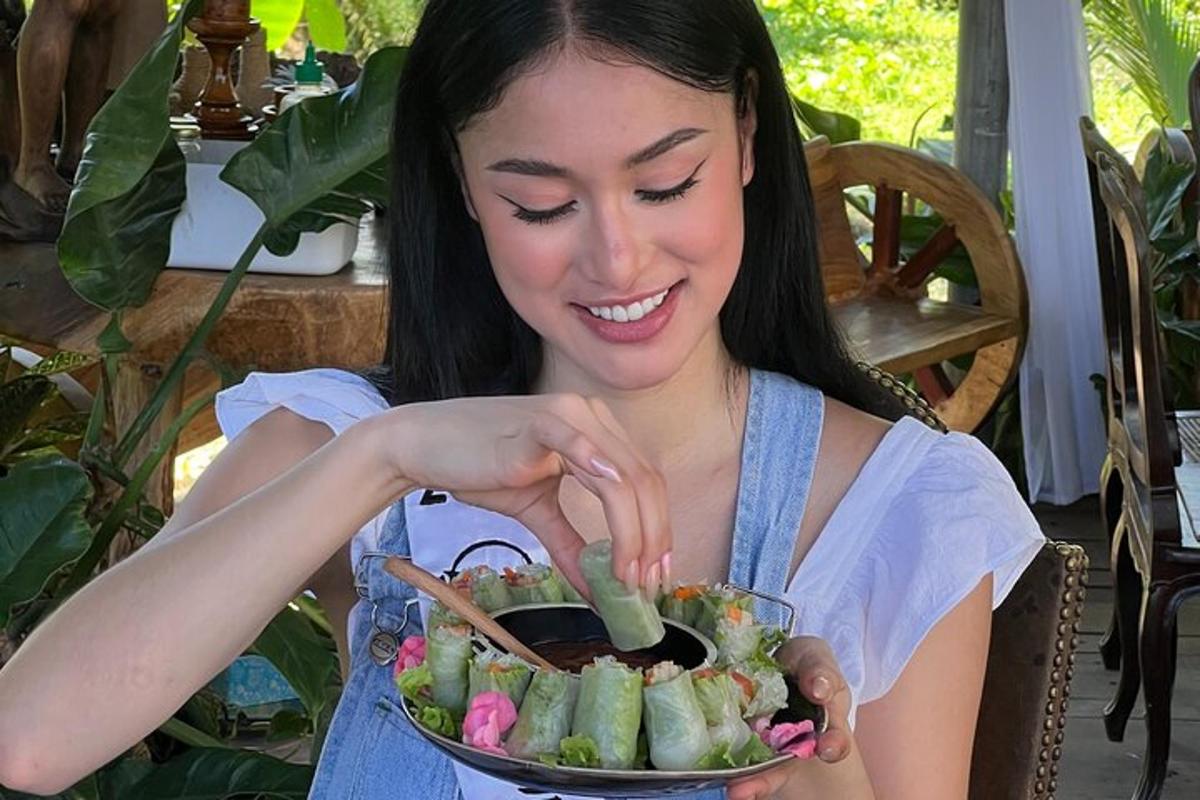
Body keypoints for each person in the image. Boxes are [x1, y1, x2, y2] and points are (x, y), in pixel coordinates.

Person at [0, 2, 1044, 798]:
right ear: (460, 185)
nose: (616, 256)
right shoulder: (349, 445)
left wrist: (814, 760)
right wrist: (387, 455)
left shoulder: (901, 504)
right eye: (540, 201)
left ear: (746, 141)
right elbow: (31, 734)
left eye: (666, 183)